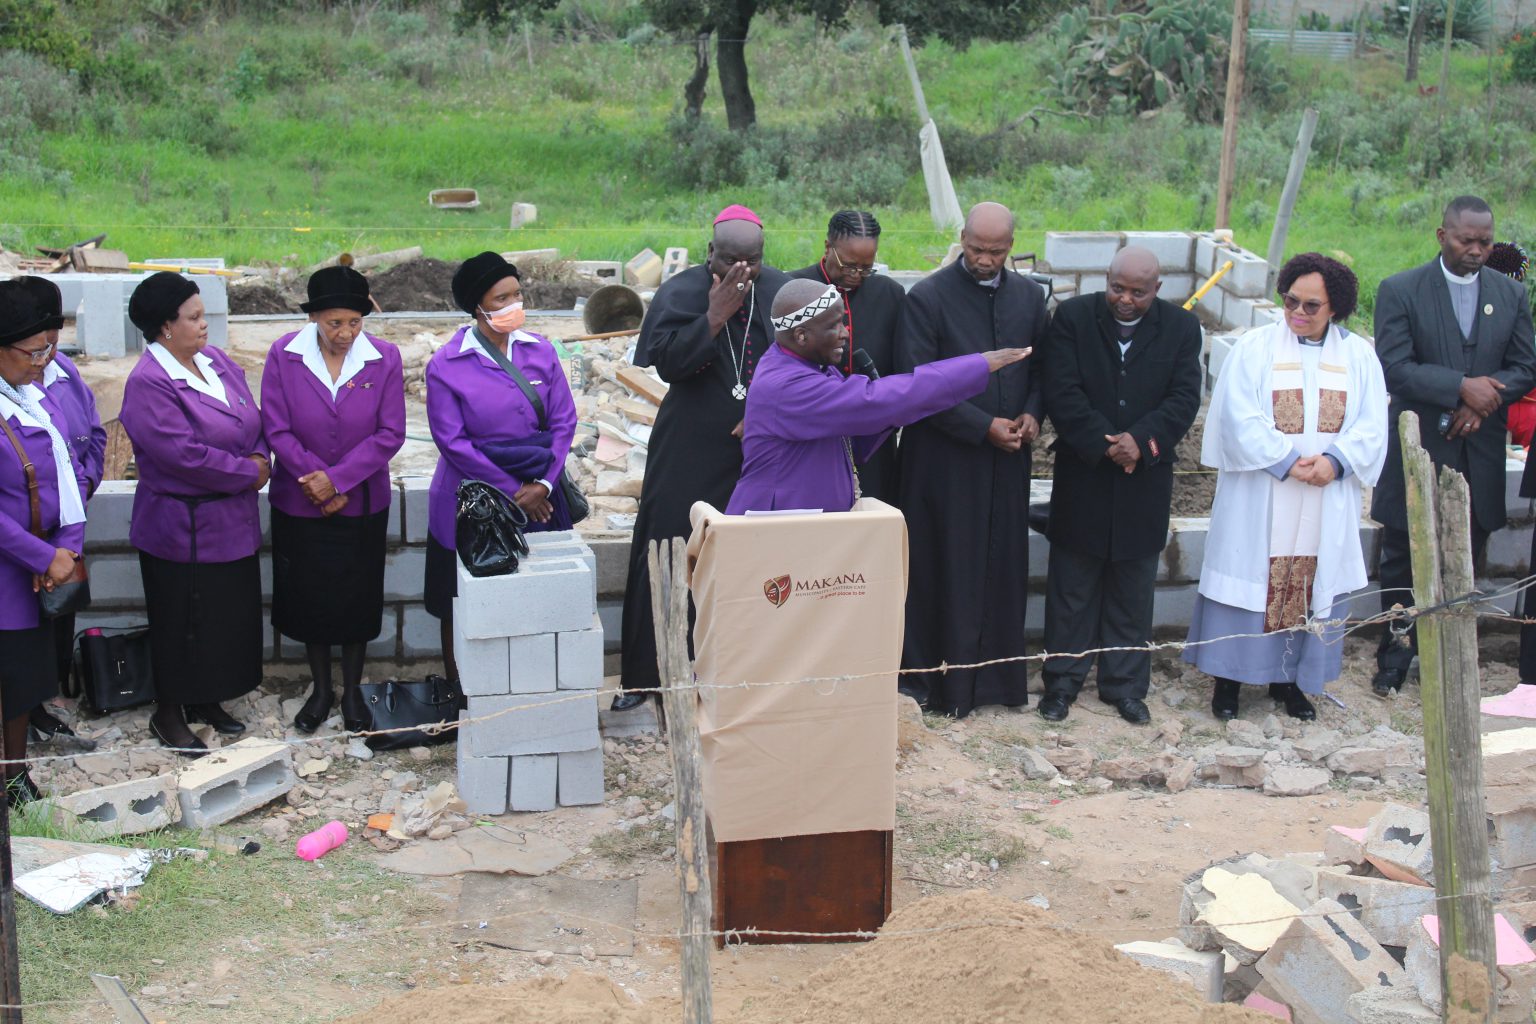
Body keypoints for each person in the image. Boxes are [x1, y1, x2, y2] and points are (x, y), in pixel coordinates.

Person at [1186, 253, 1388, 719]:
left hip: (1325, 492)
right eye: (1290, 300)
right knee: (1250, 584)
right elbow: (1238, 416)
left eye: (1310, 305)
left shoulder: (1358, 356)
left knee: (1310, 586)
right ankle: (1229, 683)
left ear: (1334, 307)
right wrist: (1287, 459)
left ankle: (1292, 682)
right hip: (1262, 492)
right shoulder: (1255, 348)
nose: (1297, 312)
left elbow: (1372, 424)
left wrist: (1335, 463)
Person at [614, 205, 790, 711]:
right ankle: (647, 678)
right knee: (668, 548)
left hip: (760, 446)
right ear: (709, 252)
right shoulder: (682, 292)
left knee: (750, 558)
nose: (740, 272)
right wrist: (714, 315)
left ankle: (738, 674)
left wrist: (765, 411)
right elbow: (667, 364)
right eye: (729, 260)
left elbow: (804, 355)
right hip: (690, 444)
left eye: (751, 262)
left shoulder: (779, 289)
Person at [1371, 197, 1536, 697]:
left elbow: (1525, 367)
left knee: (1467, 552)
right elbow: (1395, 366)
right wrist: (1460, 388)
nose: (1476, 250)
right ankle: (1396, 656)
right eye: (1466, 240)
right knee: (1402, 553)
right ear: (1442, 235)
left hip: (1478, 450)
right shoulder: (1401, 289)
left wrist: (1481, 401)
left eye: (1485, 241)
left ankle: (1451, 654)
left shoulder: (1510, 294)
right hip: (1422, 444)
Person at [1038, 247, 1203, 725]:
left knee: (1133, 587)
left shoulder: (1180, 328)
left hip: (1144, 480)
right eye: (1117, 288)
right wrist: (1106, 444)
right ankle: (1062, 683)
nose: (1124, 300)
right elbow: (1061, 390)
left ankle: (1125, 686)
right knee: (1072, 584)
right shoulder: (1071, 318)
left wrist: (1143, 442)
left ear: (1157, 290)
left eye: (1137, 292)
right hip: (1084, 473)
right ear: (1105, 279)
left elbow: (1184, 396)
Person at [895, 202, 1046, 718]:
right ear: (961, 239)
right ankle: (937, 686)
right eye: (976, 249)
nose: (985, 260)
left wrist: (1031, 414)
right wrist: (982, 427)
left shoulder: (1029, 296)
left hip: (1007, 463)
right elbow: (917, 383)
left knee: (1000, 567)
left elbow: (1042, 369)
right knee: (946, 567)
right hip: (944, 464)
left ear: (1011, 246)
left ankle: (997, 684)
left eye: (996, 252)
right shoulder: (928, 297)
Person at [119, 272, 269, 756]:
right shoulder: (149, 384)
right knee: (182, 619)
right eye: (195, 317)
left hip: (232, 521)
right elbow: (183, 456)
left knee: (223, 616)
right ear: (165, 327)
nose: (206, 325)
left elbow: (252, 419)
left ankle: (207, 697)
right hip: (182, 528)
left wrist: (262, 457)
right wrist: (248, 472)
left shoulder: (216, 362)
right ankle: (168, 712)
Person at [726, 280, 1029, 514]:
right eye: (834, 326)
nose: (845, 333)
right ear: (802, 336)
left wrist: (889, 413)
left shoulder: (804, 364)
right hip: (775, 527)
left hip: (803, 523)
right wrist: (978, 365)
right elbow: (874, 401)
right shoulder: (787, 384)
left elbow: (859, 428)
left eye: (843, 321)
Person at [261, 266, 405, 733]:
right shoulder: (285, 355)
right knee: (310, 596)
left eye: (354, 322)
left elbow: (390, 433)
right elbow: (276, 426)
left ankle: (353, 691)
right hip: (299, 501)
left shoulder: (384, 358)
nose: (345, 333)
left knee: (357, 596)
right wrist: (313, 480)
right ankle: (321, 690)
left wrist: (338, 481)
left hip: (361, 501)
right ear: (315, 317)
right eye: (334, 323)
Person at [424, 252, 577, 682]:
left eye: (517, 294)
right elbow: (452, 442)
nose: (514, 305)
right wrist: (515, 491)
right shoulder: (447, 364)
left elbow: (565, 421)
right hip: (471, 497)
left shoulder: (541, 351)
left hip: (539, 495)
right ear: (478, 307)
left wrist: (544, 485)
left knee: (532, 595)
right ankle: (463, 692)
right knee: (460, 601)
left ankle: (530, 685)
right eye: (501, 297)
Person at [0, 278, 87, 805]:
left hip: (40, 570)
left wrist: (67, 551)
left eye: (48, 350)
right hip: (11, 571)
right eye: (34, 353)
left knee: (25, 685)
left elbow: (68, 477)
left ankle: (15, 778)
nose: (43, 363)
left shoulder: (30, 399)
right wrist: (43, 555)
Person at [786, 210, 907, 503]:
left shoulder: (889, 293)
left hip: (873, 432)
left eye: (866, 268)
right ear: (828, 248)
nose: (857, 275)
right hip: (813, 432)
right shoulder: (794, 288)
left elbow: (902, 361)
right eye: (850, 265)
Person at [31, 281, 105, 749]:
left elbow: (93, 433)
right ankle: (27, 706)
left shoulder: (64, 370)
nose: (49, 347)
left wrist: (85, 483)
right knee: (27, 618)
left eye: (55, 335)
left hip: (68, 522)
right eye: (40, 339)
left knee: (60, 612)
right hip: (28, 527)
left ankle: (48, 696)